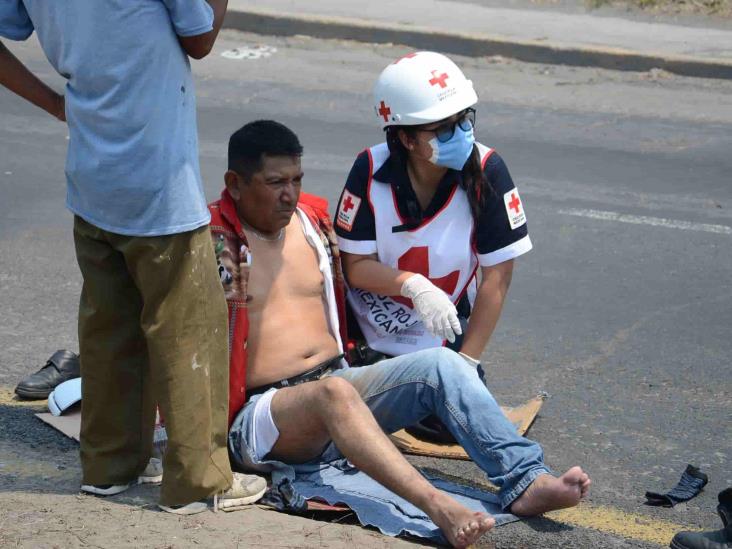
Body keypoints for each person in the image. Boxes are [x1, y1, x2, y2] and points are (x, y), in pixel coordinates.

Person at [212, 120, 591, 548]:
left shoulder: (313, 223)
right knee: (333, 395)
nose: (290, 194)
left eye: (297, 180)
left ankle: (527, 480)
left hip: (338, 382)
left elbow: (365, 268)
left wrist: (414, 286)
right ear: (235, 184)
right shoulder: (213, 243)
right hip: (264, 418)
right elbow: (174, 341)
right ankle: (439, 506)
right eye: (275, 182)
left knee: (444, 363)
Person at [0, 1, 265, 514]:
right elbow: (201, 37)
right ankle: (198, 482)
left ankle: (108, 467)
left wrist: (56, 104)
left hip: (93, 176)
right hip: (157, 181)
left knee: (110, 332)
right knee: (189, 331)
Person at [334, 50, 530, 367]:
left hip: (445, 322)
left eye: (464, 120)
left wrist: (467, 363)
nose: (463, 135)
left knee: (449, 407)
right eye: (444, 128)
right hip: (368, 324)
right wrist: (415, 287)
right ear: (407, 139)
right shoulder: (369, 169)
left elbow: (498, 276)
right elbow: (355, 267)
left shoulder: (487, 170)